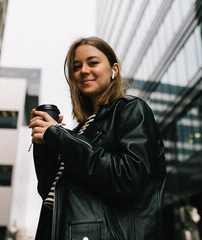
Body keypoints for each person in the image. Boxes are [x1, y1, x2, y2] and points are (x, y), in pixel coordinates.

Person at [29, 37, 166, 240]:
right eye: (77, 67)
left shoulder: (131, 109)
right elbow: (52, 193)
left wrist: (59, 137)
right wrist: (45, 145)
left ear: (114, 69)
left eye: (93, 63)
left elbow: (127, 178)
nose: (83, 70)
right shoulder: (79, 131)